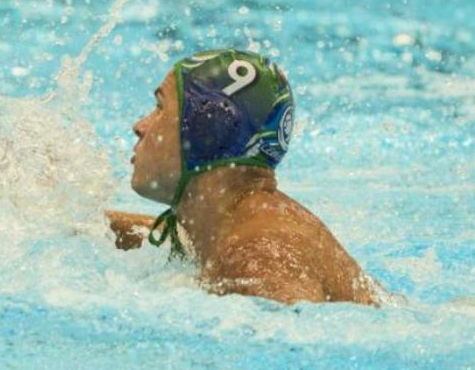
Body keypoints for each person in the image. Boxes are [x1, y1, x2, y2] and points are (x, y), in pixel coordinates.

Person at [128, 49, 379, 305]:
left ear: (209, 131)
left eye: (160, 107)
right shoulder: (231, 222)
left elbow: (300, 335)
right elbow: (169, 237)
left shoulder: (257, 257)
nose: (139, 126)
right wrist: (91, 228)